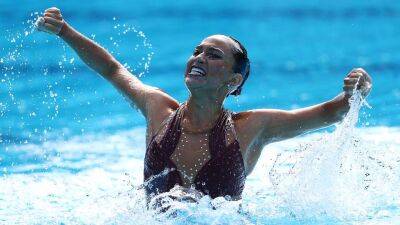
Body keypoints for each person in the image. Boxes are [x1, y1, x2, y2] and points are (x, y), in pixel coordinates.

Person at [37, 7, 372, 201]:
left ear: (233, 81)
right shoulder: (158, 109)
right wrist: (65, 31)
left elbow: (330, 113)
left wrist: (355, 91)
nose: (198, 58)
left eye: (213, 55)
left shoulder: (252, 127)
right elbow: (113, 68)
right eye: (197, 51)